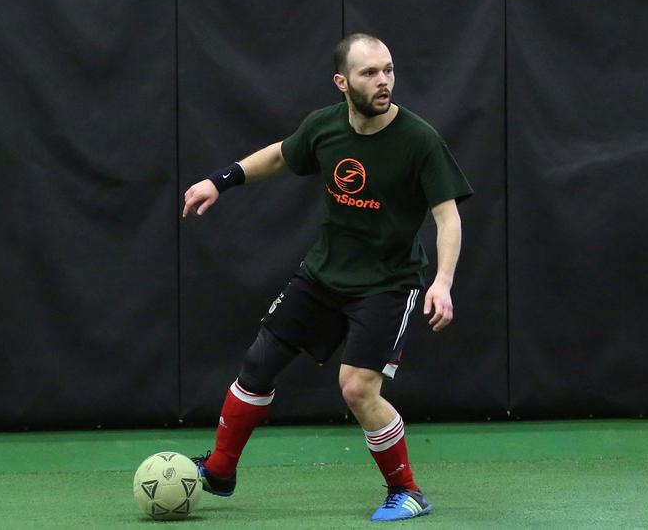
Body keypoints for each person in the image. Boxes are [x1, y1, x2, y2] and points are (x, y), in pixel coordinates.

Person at [181, 33, 473, 522]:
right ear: (342, 82)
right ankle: (221, 470)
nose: (384, 81)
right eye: (369, 73)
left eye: (389, 69)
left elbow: (448, 217)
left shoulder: (420, 140)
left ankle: (407, 492)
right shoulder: (325, 127)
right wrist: (220, 179)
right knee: (258, 364)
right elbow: (280, 155)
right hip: (323, 274)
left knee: (358, 389)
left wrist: (442, 281)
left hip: (387, 283)